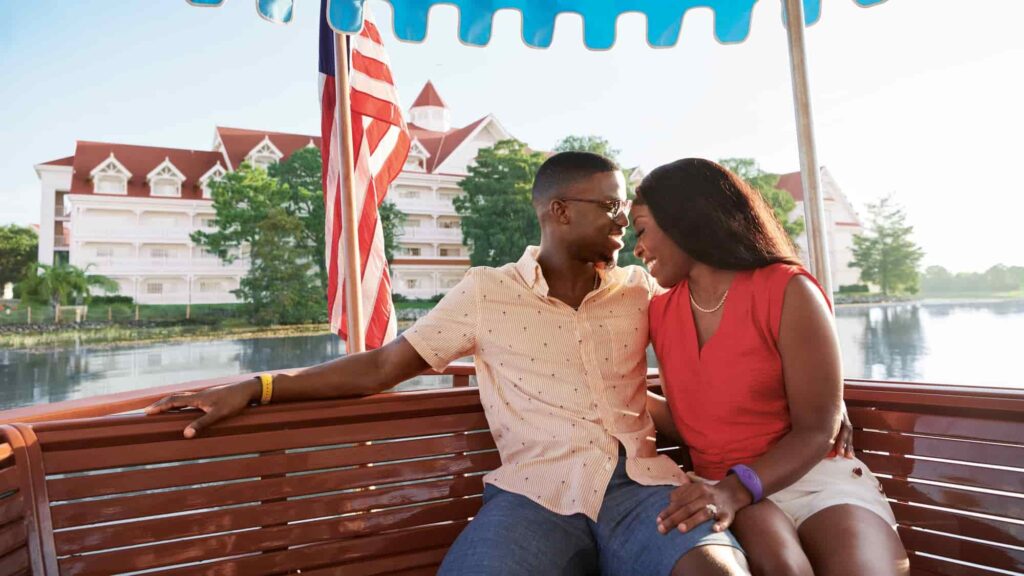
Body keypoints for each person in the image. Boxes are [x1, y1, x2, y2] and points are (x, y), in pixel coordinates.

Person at [147, 152, 749, 576]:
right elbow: (383, 367)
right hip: (534, 497)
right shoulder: (485, 292)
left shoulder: (641, 291)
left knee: (716, 571)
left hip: (642, 491)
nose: (627, 222)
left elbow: (728, 344)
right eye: (613, 207)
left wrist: (794, 414)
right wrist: (259, 386)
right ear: (560, 211)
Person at [630, 158, 909, 576]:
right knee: (785, 569)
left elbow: (817, 429)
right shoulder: (658, 313)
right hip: (729, 488)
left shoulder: (787, 289)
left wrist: (833, 408)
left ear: (682, 220)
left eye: (642, 230)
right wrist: (622, 396)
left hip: (817, 478)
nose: (636, 248)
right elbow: (695, 423)